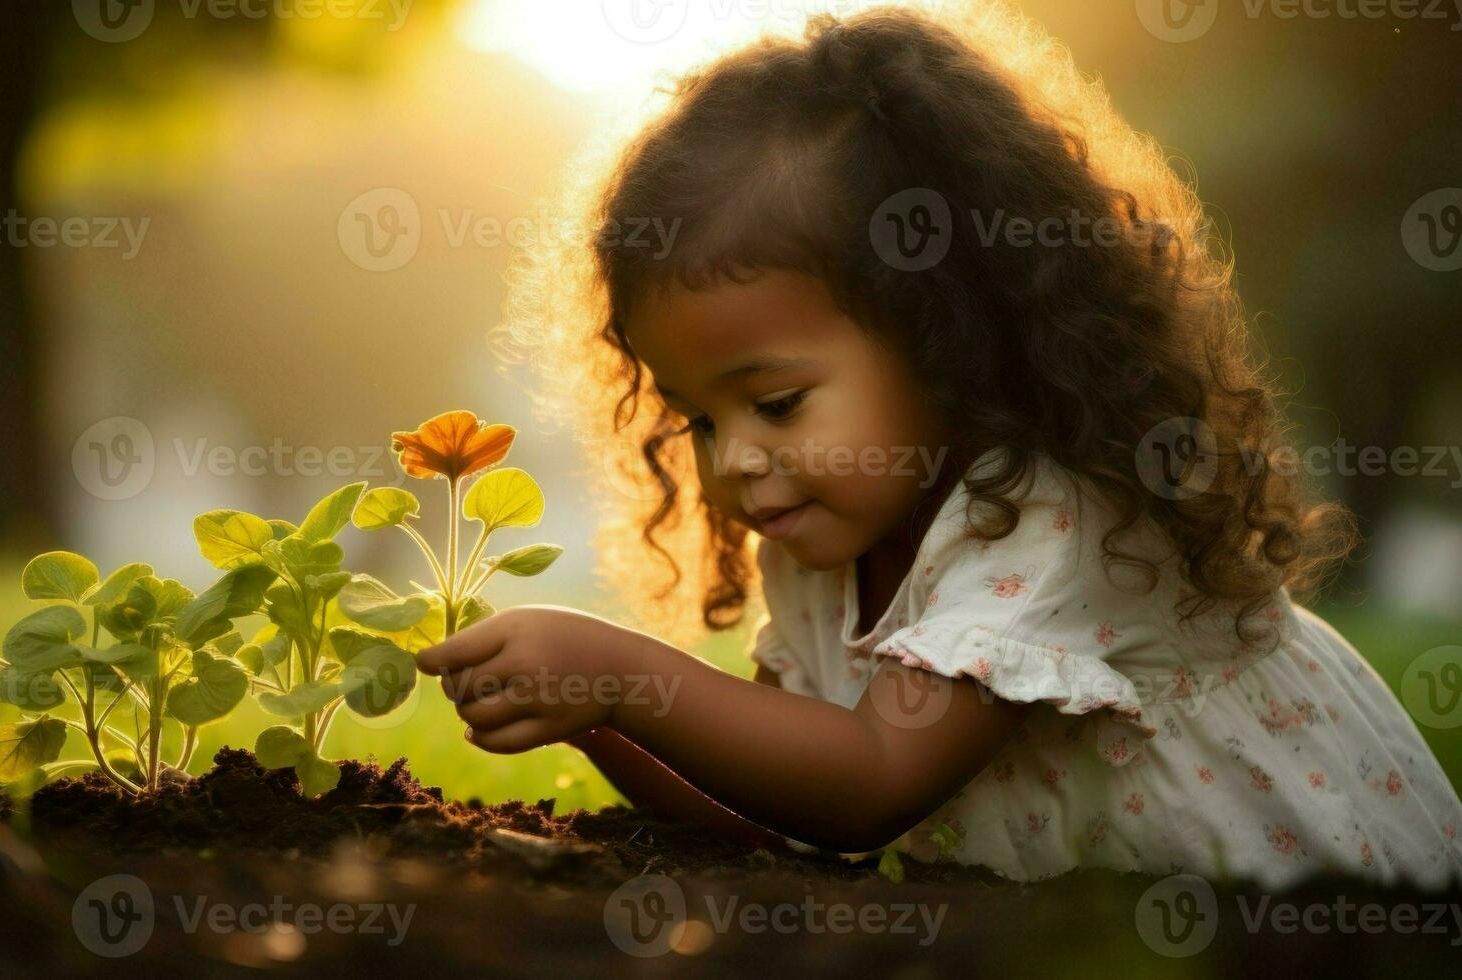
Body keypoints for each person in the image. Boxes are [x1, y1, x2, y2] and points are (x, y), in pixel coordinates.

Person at [416, 3, 1462, 890]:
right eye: (697, 418)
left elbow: (871, 782)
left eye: (774, 401)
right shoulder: (828, 544)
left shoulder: (1054, 522)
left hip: (1301, 927)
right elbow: (793, 823)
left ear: (949, 334)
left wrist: (617, 669)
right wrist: (604, 722)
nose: (731, 458)